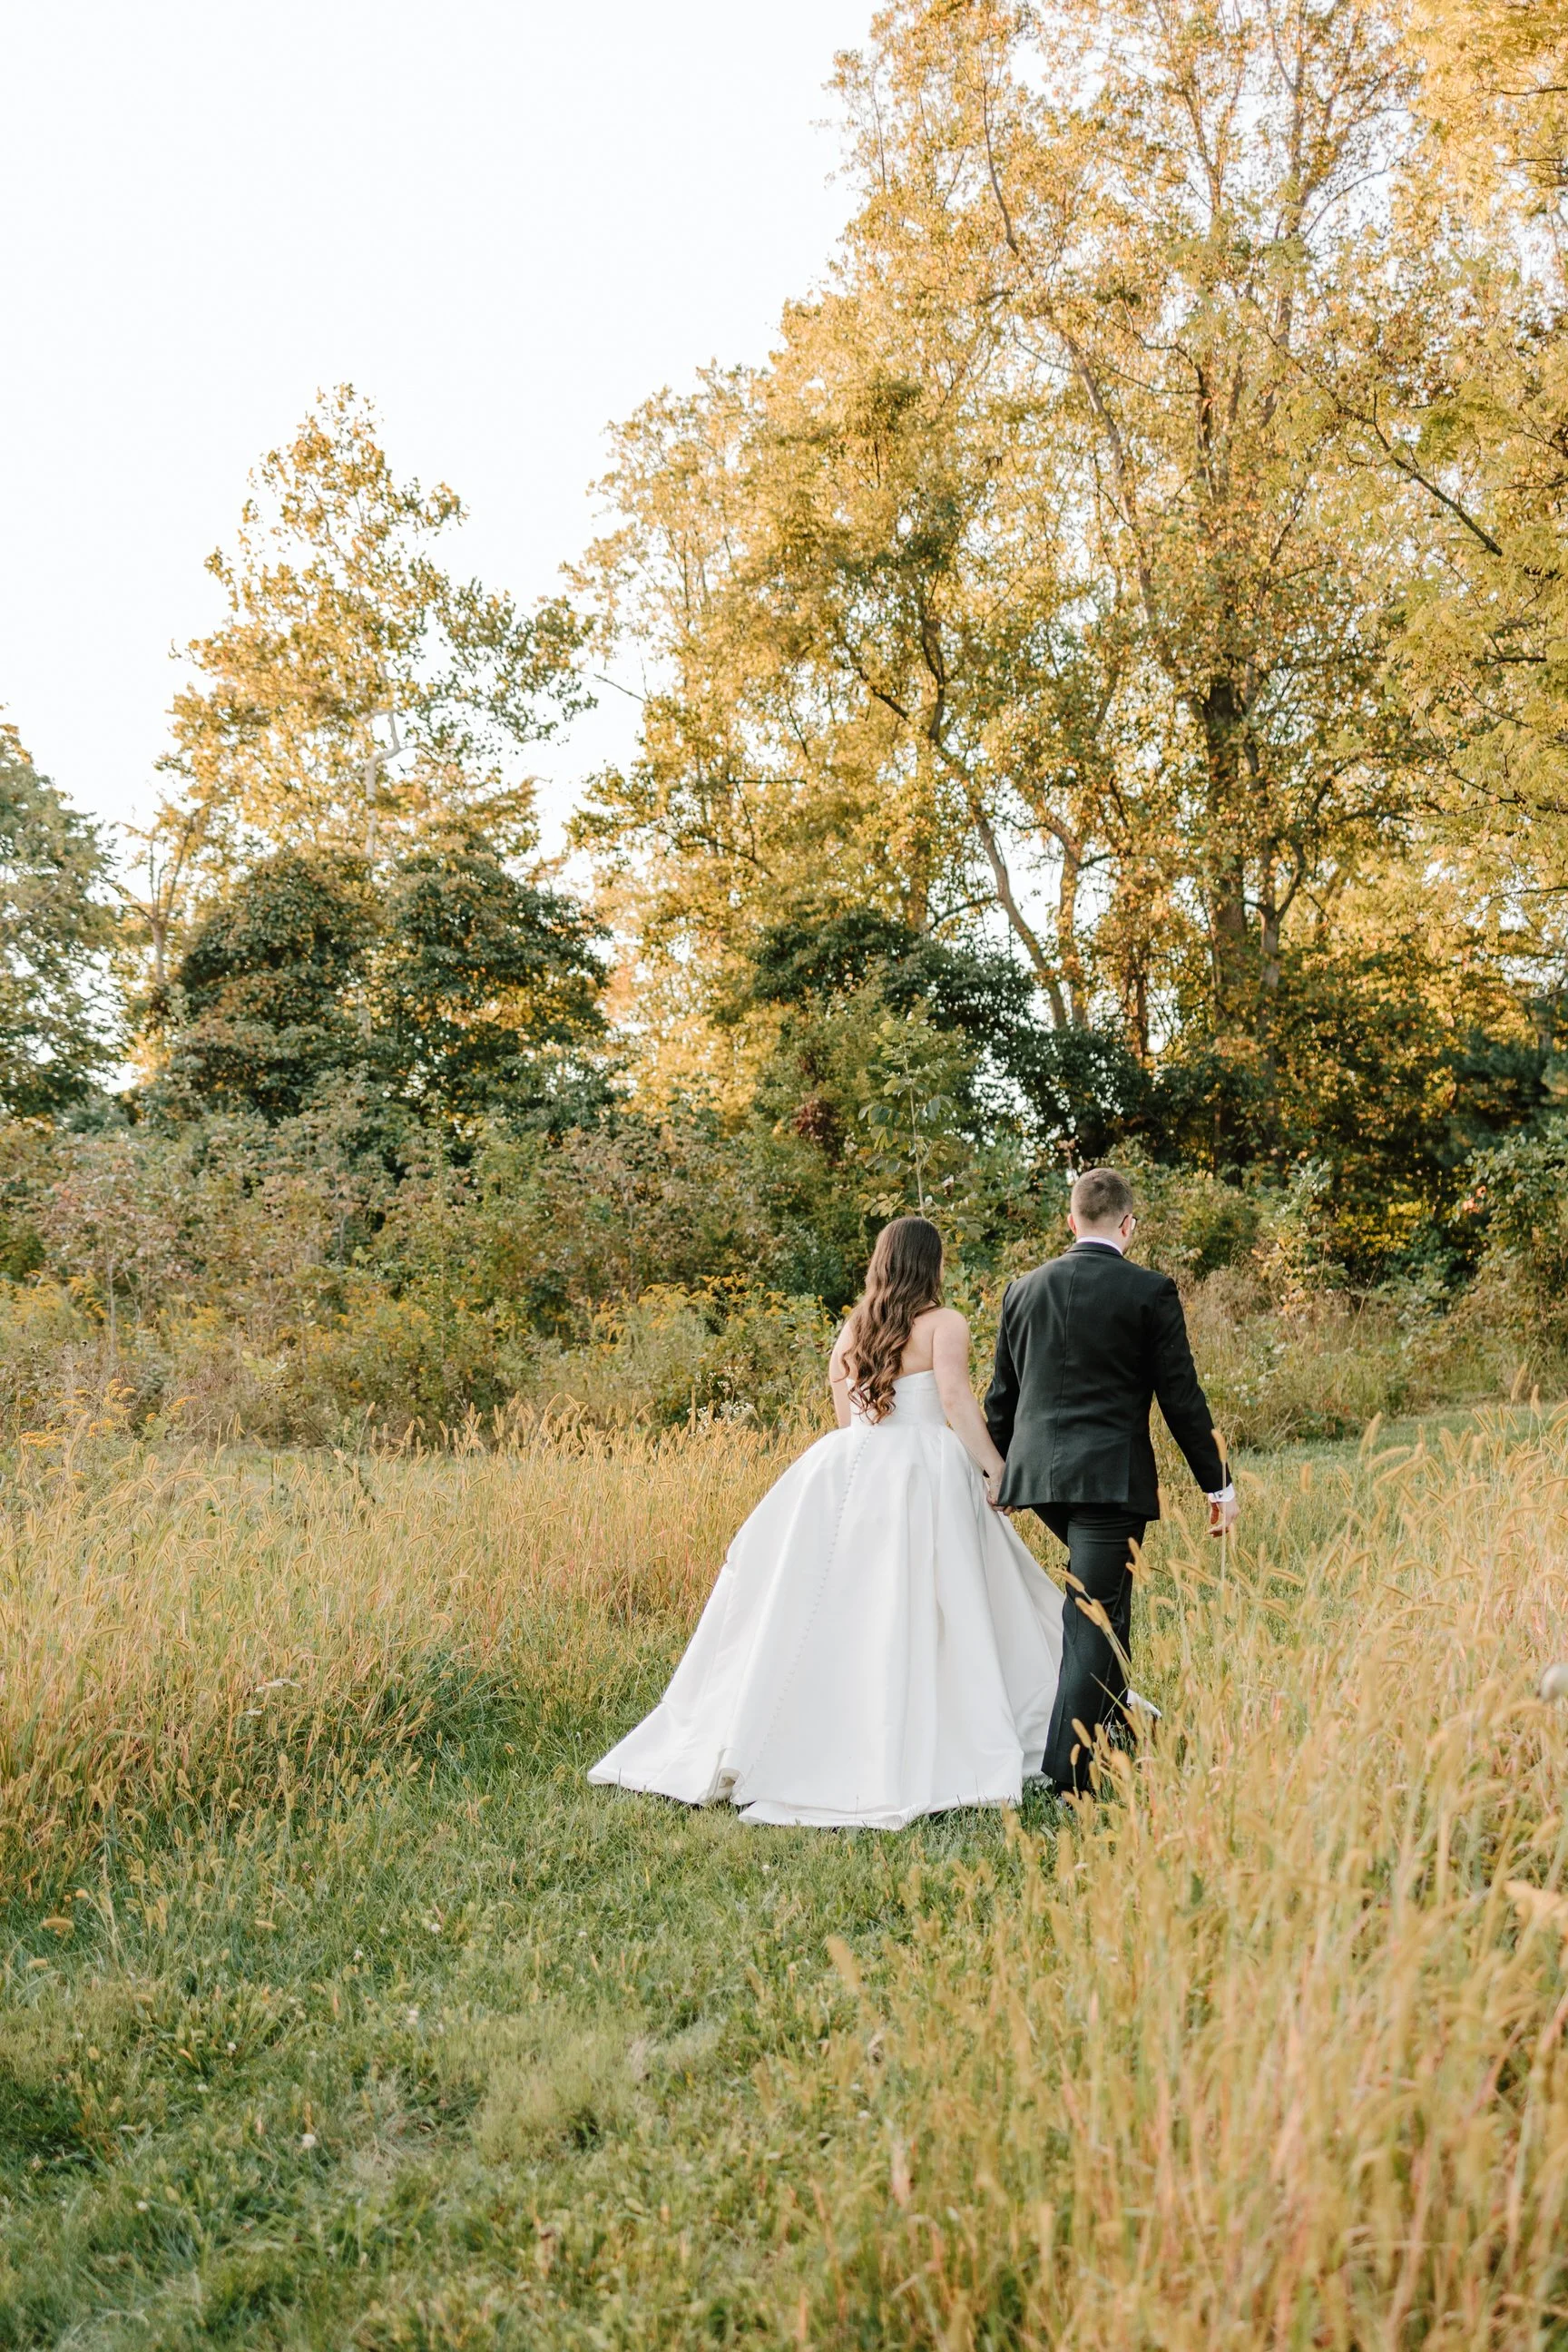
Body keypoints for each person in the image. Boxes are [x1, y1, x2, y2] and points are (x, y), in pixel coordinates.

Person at [589, 1216, 1063, 1829]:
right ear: (933, 1264)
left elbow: (849, 1416)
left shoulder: (854, 1327)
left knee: (845, 1603)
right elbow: (954, 1400)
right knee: (945, 1597)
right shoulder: (946, 1325)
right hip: (924, 1468)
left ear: (881, 1262)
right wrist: (996, 1469)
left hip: (848, 1469)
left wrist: (868, 1462)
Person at [985, 1165, 1238, 1795]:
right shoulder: (1148, 1291)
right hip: (1107, 1483)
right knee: (1094, 1614)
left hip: (1037, 1479)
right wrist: (1220, 1485)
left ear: (1071, 1221)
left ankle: (1115, 1729)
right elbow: (1181, 1396)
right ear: (1129, 1225)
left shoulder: (1022, 1290)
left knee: (1108, 1604)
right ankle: (1069, 1776)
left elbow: (1002, 1397)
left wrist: (997, 1469)